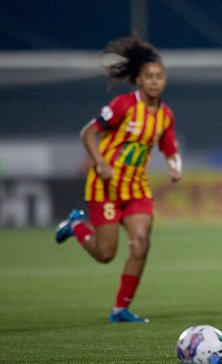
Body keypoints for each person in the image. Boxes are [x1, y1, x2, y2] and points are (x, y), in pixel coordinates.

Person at [55, 33, 182, 323]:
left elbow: (170, 148)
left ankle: (120, 309)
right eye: (149, 76)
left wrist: (176, 166)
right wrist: (99, 162)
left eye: (159, 76)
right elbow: (88, 132)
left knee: (140, 244)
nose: (154, 81)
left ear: (164, 81)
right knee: (105, 254)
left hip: (137, 189)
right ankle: (75, 225)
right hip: (106, 189)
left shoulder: (165, 115)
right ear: (138, 80)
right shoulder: (124, 105)